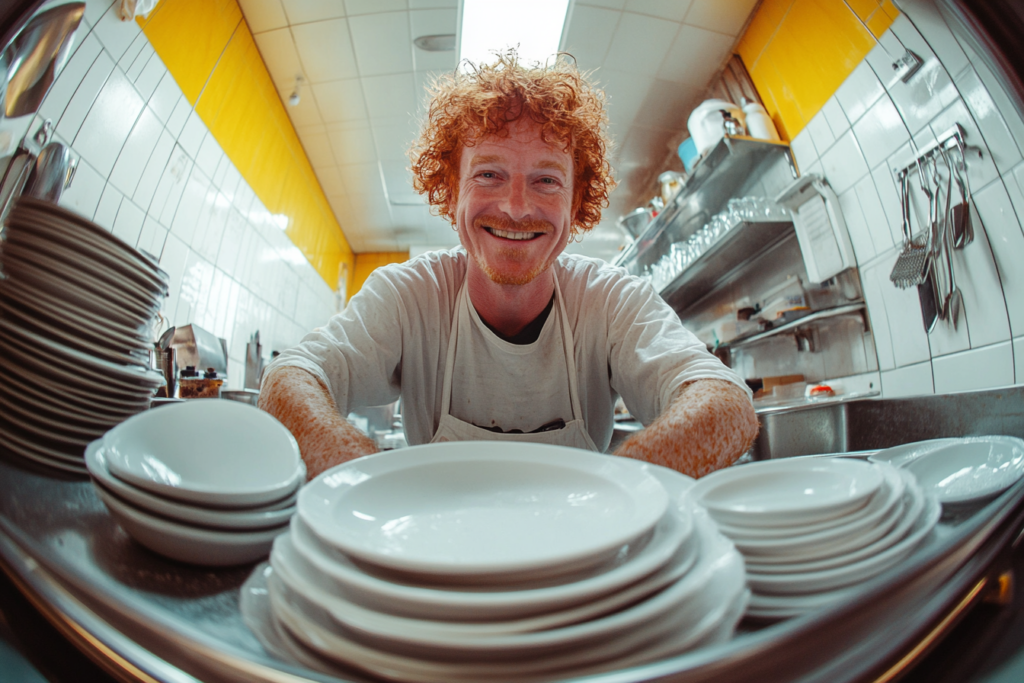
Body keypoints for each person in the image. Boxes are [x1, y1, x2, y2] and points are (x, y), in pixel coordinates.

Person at [259, 51, 758, 480]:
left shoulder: (611, 300)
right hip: (438, 555)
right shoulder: (410, 294)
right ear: (450, 190)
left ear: (576, 199)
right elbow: (290, 379)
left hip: (579, 553)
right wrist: (369, 483)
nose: (517, 207)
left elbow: (726, 403)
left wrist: (617, 491)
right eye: (490, 174)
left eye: (546, 180)